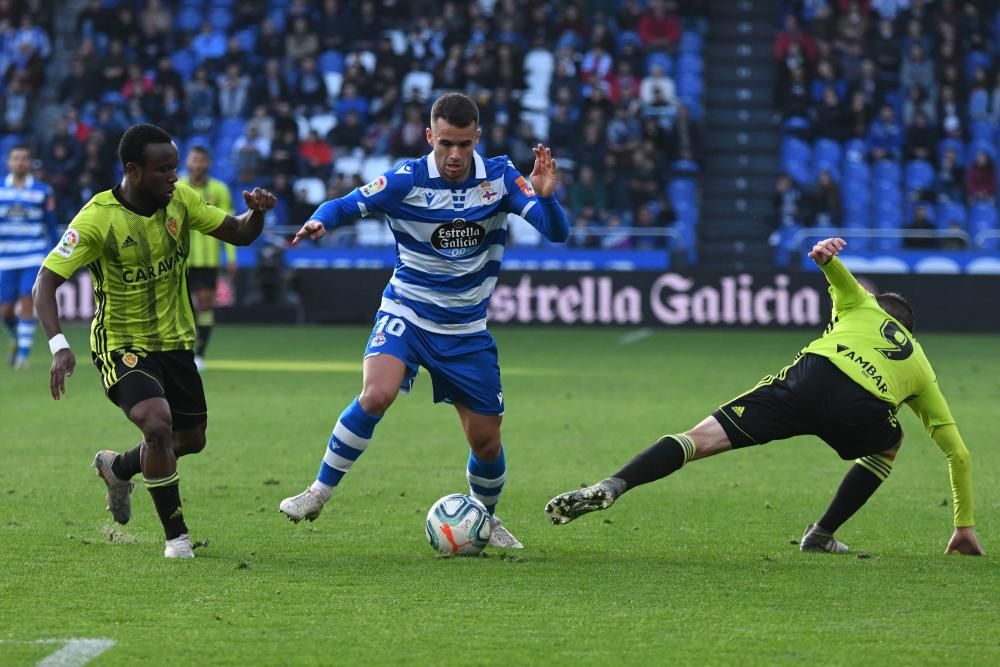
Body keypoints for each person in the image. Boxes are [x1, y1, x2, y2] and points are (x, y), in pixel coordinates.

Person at [545, 237, 985, 557]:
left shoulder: (860, 304)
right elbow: (958, 454)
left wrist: (824, 254)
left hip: (810, 378)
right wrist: (963, 525)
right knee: (890, 442)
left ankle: (614, 483)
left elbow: (827, 262)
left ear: (875, 304)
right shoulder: (923, 367)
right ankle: (821, 535)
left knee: (699, 438)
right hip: (863, 410)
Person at [279, 93, 569, 549]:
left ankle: (484, 519)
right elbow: (346, 204)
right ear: (430, 136)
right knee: (377, 393)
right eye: (445, 144)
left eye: (463, 145)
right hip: (407, 312)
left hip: (465, 330)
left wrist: (548, 199)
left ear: (477, 138)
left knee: (486, 442)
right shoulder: (405, 180)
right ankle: (318, 492)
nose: (454, 156)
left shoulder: (499, 178)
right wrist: (319, 222)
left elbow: (556, 232)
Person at [33, 124, 276, 558]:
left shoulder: (180, 201)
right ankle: (177, 539)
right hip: (120, 341)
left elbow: (239, 233)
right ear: (133, 170)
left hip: (176, 340)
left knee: (190, 440)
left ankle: (118, 467)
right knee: (156, 423)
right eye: (164, 170)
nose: (174, 177)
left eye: (175, 168)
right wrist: (58, 345)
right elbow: (45, 283)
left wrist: (256, 212)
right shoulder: (96, 218)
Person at [177, 145, 236, 371]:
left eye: (202, 160)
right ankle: (185, 351)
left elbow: (231, 224)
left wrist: (231, 256)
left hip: (209, 259)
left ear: (208, 163)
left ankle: (200, 354)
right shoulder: (177, 187)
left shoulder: (219, 189)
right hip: (182, 259)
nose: (198, 164)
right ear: (188, 163)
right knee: (183, 308)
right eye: (194, 160)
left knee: (206, 304)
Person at [0, 145, 57, 369]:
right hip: (5, 258)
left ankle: (23, 356)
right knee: (4, 311)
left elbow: (51, 226)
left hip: (33, 255)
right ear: (9, 162)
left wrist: (52, 255)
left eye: (24, 158)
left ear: (29, 162)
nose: (20, 162)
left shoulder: (43, 191)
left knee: (27, 301)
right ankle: (15, 338)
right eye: (16, 158)